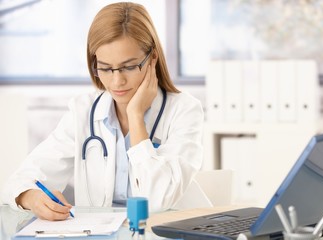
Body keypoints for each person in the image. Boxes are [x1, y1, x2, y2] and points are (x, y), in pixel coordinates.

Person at [1, 2, 204, 221]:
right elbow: (19, 180)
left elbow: (157, 201)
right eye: (106, 68)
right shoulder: (83, 111)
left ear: (152, 58)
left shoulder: (184, 110)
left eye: (128, 66)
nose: (117, 81)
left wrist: (136, 117)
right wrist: (30, 197)